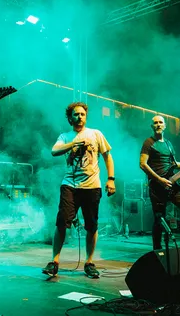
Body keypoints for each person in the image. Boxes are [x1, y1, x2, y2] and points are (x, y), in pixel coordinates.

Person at [42, 102, 115, 279]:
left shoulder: (96, 134)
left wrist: (111, 179)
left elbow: (107, 157)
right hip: (70, 185)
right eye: (76, 114)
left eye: (82, 114)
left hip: (92, 186)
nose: (79, 117)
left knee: (92, 225)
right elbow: (54, 151)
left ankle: (89, 263)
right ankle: (54, 262)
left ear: (86, 117)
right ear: (70, 118)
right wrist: (74, 143)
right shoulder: (65, 136)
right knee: (62, 222)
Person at [139, 115, 180, 250]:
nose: (158, 124)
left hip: (172, 184)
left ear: (165, 126)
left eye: (160, 122)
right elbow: (142, 164)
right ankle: (158, 250)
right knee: (159, 219)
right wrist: (159, 179)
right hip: (157, 186)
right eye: (155, 123)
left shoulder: (168, 144)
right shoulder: (148, 143)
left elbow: (174, 164)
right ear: (152, 126)